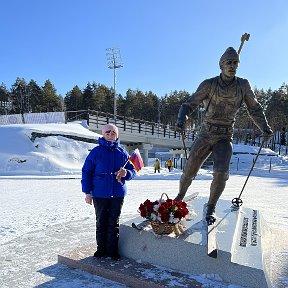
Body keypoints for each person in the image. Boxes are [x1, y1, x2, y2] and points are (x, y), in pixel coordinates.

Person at [174, 47, 273, 225]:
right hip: (206, 133)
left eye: (235, 63)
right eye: (229, 62)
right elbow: (188, 105)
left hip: (225, 136)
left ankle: (211, 206)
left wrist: (264, 127)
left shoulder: (243, 85)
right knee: (190, 169)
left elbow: (255, 109)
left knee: (221, 173)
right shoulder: (209, 84)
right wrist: (181, 120)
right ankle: (179, 197)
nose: (232, 66)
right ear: (221, 65)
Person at [81, 123, 136, 260]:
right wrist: (87, 192)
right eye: (108, 132)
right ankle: (101, 249)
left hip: (117, 194)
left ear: (117, 135)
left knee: (113, 222)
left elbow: (133, 170)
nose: (110, 135)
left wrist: (126, 173)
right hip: (99, 194)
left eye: (113, 133)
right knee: (101, 222)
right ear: (103, 134)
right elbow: (86, 172)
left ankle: (112, 251)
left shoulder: (122, 153)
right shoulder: (95, 152)